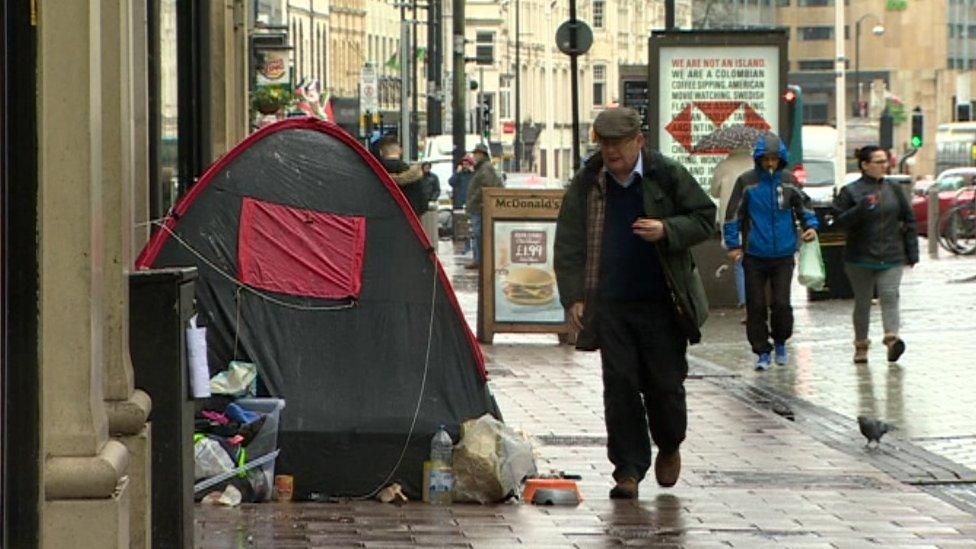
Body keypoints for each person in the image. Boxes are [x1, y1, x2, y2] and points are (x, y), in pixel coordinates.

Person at [554, 107, 715, 499]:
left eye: (619, 144)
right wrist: (574, 296)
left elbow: (705, 217)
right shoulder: (588, 182)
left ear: (639, 141)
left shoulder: (665, 173)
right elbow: (569, 241)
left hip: (663, 301)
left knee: (665, 385)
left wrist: (666, 229)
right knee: (620, 385)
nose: (611, 152)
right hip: (611, 302)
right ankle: (627, 468)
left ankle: (670, 443)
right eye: (605, 143)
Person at [723, 133, 819, 371]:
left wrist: (811, 227)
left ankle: (780, 341)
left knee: (781, 303)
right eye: (766, 158)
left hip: (784, 254)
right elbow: (733, 214)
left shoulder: (789, 181)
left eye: (775, 159)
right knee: (755, 305)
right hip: (754, 254)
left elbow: (804, 206)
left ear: (781, 159)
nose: (770, 163)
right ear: (758, 158)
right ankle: (761, 351)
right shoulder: (746, 182)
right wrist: (734, 245)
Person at [831, 145, 918, 364]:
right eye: (878, 162)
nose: (883, 166)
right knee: (863, 302)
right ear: (865, 165)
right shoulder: (850, 191)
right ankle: (861, 345)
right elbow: (836, 222)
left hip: (891, 255)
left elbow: (909, 220)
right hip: (859, 257)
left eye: (885, 161)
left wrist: (912, 252)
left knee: (890, 296)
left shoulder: (895, 189)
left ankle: (892, 338)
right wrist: (860, 208)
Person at [709, 145, 754, 310]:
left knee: (739, 261)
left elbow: (714, 191)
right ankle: (756, 300)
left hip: (731, 217)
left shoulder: (724, 166)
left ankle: (744, 301)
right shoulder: (756, 163)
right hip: (753, 217)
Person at [464, 143, 502, 269]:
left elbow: (484, 188)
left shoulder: (485, 169)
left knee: (478, 233)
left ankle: (478, 259)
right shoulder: (482, 168)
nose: (474, 156)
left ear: (481, 154)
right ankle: (478, 258)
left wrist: (473, 200)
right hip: (479, 206)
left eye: (476, 153)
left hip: (480, 207)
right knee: (477, 233)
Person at [376, 135, 426, 216]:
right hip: (406, 222)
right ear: (400, 151)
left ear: (381, 152)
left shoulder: (374, 171)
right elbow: (423, 205)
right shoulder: (412, 173)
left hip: (380, 221)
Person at [449, 156, 476, 253]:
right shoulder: (459, 174)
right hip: (460, 202)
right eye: (464, 164)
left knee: (471, 225)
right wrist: (457, 172)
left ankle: (471, 245)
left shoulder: (473, 175)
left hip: (471, 202)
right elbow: (451, 182)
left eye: (467, 164)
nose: (465, 166)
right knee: (463, 226)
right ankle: (466, 245)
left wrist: (473, 172)